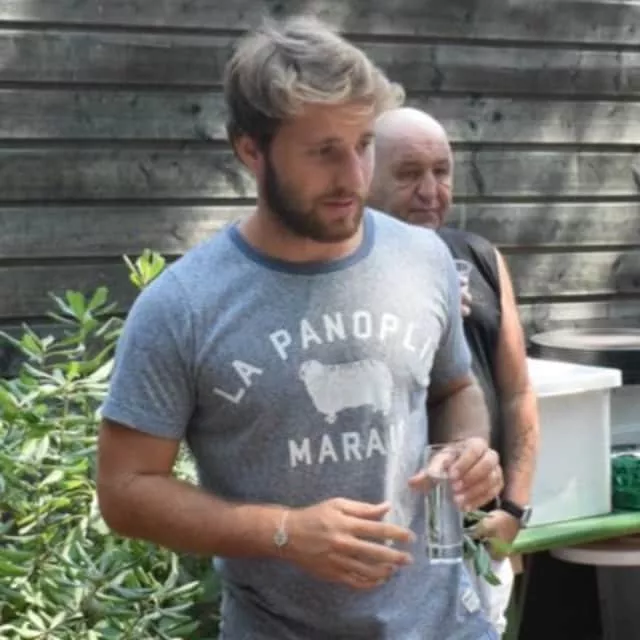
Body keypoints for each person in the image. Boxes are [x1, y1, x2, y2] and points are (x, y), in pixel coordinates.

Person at [97, 16, 504, 640]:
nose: (353, 177)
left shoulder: (423, 258)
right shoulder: (182, 305)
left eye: (363, 144)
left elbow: (455, 388)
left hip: (450, 624)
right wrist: (283, 531)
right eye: (323, 152)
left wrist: (468, 450)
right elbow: (125, 490)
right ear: (250, 150)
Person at [369, 107, 540, 635]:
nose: (430, 191)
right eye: (408, 174)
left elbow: (517, 393)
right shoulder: (341, 273)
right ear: (364, 176)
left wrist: (514, 510)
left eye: (441, 172)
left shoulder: (479, 257)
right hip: (389, 547)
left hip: (473, 533)